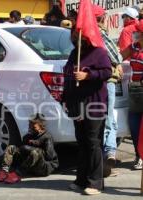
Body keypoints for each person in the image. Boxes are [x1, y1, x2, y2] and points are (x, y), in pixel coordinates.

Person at [62, 27, 112, 195]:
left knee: (93, 142)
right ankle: (81, 179)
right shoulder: (74, 53)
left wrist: (87, 75)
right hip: (77, 104)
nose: (74, 39)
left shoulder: (99, 52)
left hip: (94, 104)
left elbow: (107, 72)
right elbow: (67, 74)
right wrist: (64, 98)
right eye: (73, 36)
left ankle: (95, 182)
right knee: (82, 142)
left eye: (77, 36)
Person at [93, 5, 123, 176]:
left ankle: (107, 155)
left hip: (96, 82)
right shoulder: (100, 34)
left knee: (106, 119)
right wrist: (117, 63)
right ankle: (108, 153)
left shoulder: (87, 36)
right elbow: (116, 56)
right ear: (102, 19)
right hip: (107, 81)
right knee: (108, 119)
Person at [0, 114, 59, 184]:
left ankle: (17, 174)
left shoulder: (47, 137)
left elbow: (49, 156)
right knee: (11, 148)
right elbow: (21, 151)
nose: (30, 127)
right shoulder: (28, 136)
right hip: (30, 167)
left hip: (43, 168)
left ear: (41, 126)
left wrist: (36, 144)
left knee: (35, 152)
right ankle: (4, 171)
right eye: (29, 125)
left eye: (33, 126)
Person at [121, 20, 143, 170]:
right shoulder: (134, 47)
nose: (135, 34)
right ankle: (139, 155)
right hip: (135, 91)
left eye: (138, 32)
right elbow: (119, 57)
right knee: (134, 124)